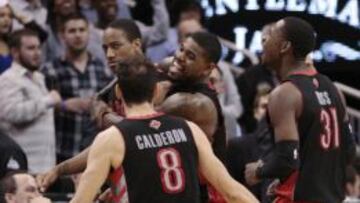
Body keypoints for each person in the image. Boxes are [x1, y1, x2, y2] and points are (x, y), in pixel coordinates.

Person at [69, 58, 258, 203]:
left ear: (118, 91)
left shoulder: (112, 139)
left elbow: (81, 200)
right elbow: (232, 191)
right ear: (157, 90)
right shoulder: (189, 129)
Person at [244, 17, 356, 203]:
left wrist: (258, 170)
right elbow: (349, 151)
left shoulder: (284, 94)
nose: (263, 40)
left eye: (270, 36)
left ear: (284, 46)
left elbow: (287, 159)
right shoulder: (334, 90)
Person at [42, 13, 113, 162]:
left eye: (82, 30)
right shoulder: (50, 70)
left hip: (97, 151)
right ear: (62, 35)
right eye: (72, 31)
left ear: (89, 33)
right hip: (62, 151)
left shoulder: (103, 68)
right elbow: (40, 110)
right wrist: (63, 105)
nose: (78, 35)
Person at [0, 29, 61, 173]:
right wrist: (48, 100)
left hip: (45, 165)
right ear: (15, 52)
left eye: (38, 47)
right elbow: (10, 112)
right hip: (21, 168)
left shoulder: (39, 77)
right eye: (31, 48)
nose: (37, 53)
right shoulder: (8, 79)